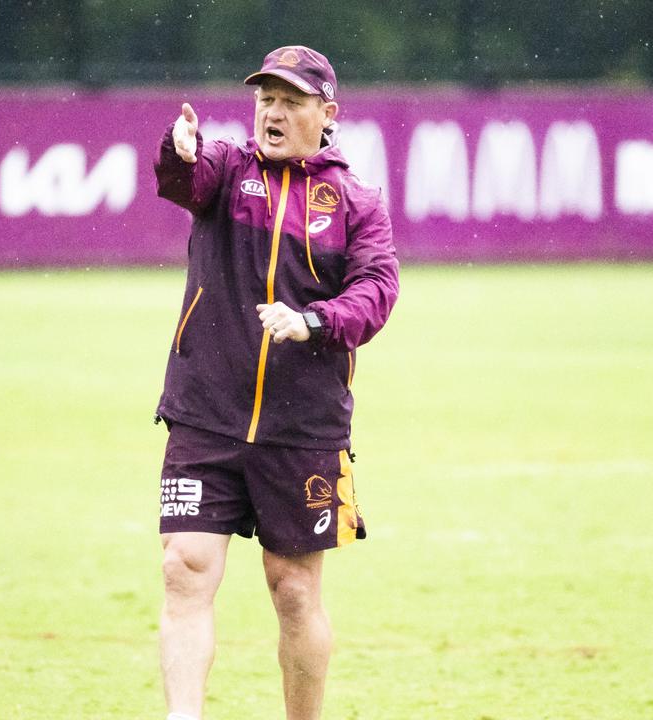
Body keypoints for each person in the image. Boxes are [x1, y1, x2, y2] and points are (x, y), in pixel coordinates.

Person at [152, 45, 399, 720]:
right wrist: (177, 152)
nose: (274, 112)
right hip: (205, 413)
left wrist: (314, 321)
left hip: (304, 428)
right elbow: (185, 180)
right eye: (266, 99)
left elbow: (378, 289)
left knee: (292, 589)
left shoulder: (355, 200)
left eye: (291, 101)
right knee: (185, 568)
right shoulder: (228, 170)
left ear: (327, 114)